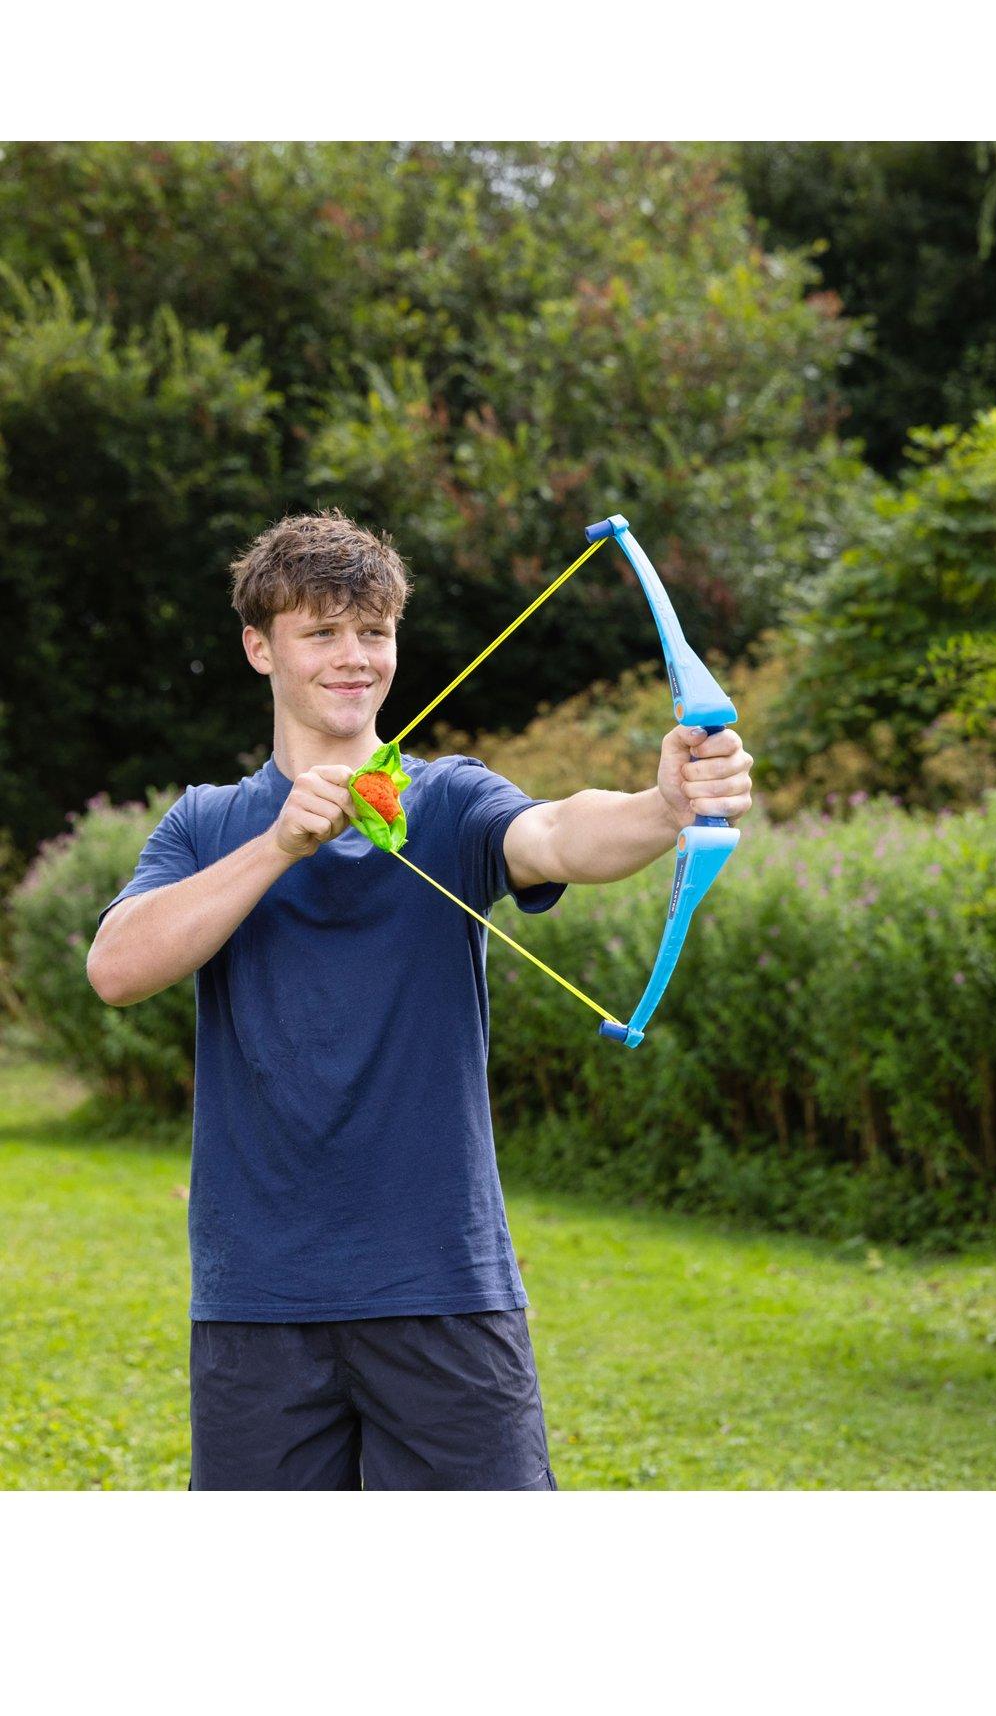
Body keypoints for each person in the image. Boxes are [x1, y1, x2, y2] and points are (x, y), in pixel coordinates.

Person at [86, 509, 754, 1490]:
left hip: (444, 1283)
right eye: (322, 632)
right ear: (260, 647)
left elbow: (558, 836)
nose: (354, 658)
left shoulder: (447, 799)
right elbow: (116, 969)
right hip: (260, 1300)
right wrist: (278, 847)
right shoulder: (207, 823)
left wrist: (666, 807)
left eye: (375, 632)